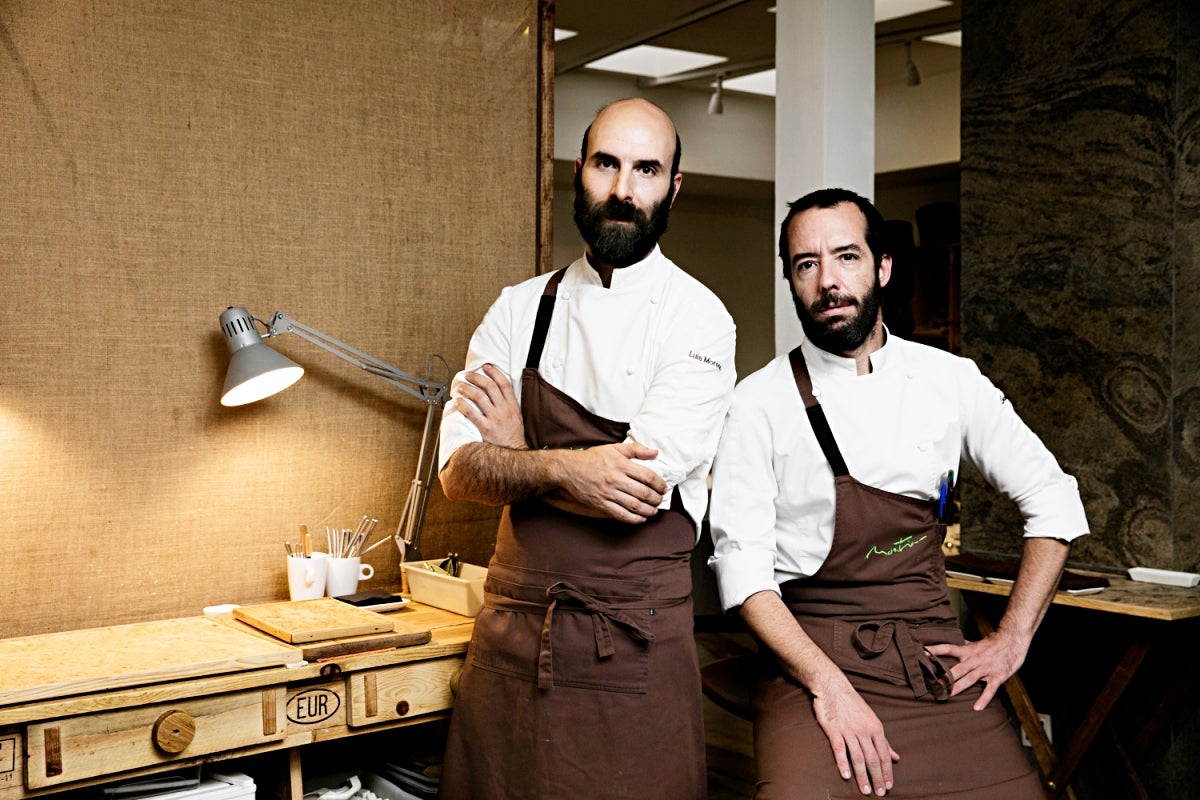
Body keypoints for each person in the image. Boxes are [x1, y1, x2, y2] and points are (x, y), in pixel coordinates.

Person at [708, 187, 1089, 799]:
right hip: (810, 664)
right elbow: (745, 576)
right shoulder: (757, 403)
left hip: (934, 659)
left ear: (882, 268)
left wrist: (1011, 639)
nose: (828, 280)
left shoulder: (949, 380)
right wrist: (830, 689)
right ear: (792, 282)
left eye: (846, 257)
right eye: (807, 264)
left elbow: (1054, 500)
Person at [435, 98, 737, 800]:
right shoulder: (518, 309)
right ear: (581, 171)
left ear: (674, 186)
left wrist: (518, 454)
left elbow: (633, 495)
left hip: (632, 641)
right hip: (513, 629)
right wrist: (569, 465)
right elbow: (458, 474)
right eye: (608, 164)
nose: (624, 191)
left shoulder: (699, 319)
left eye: (646, 170)